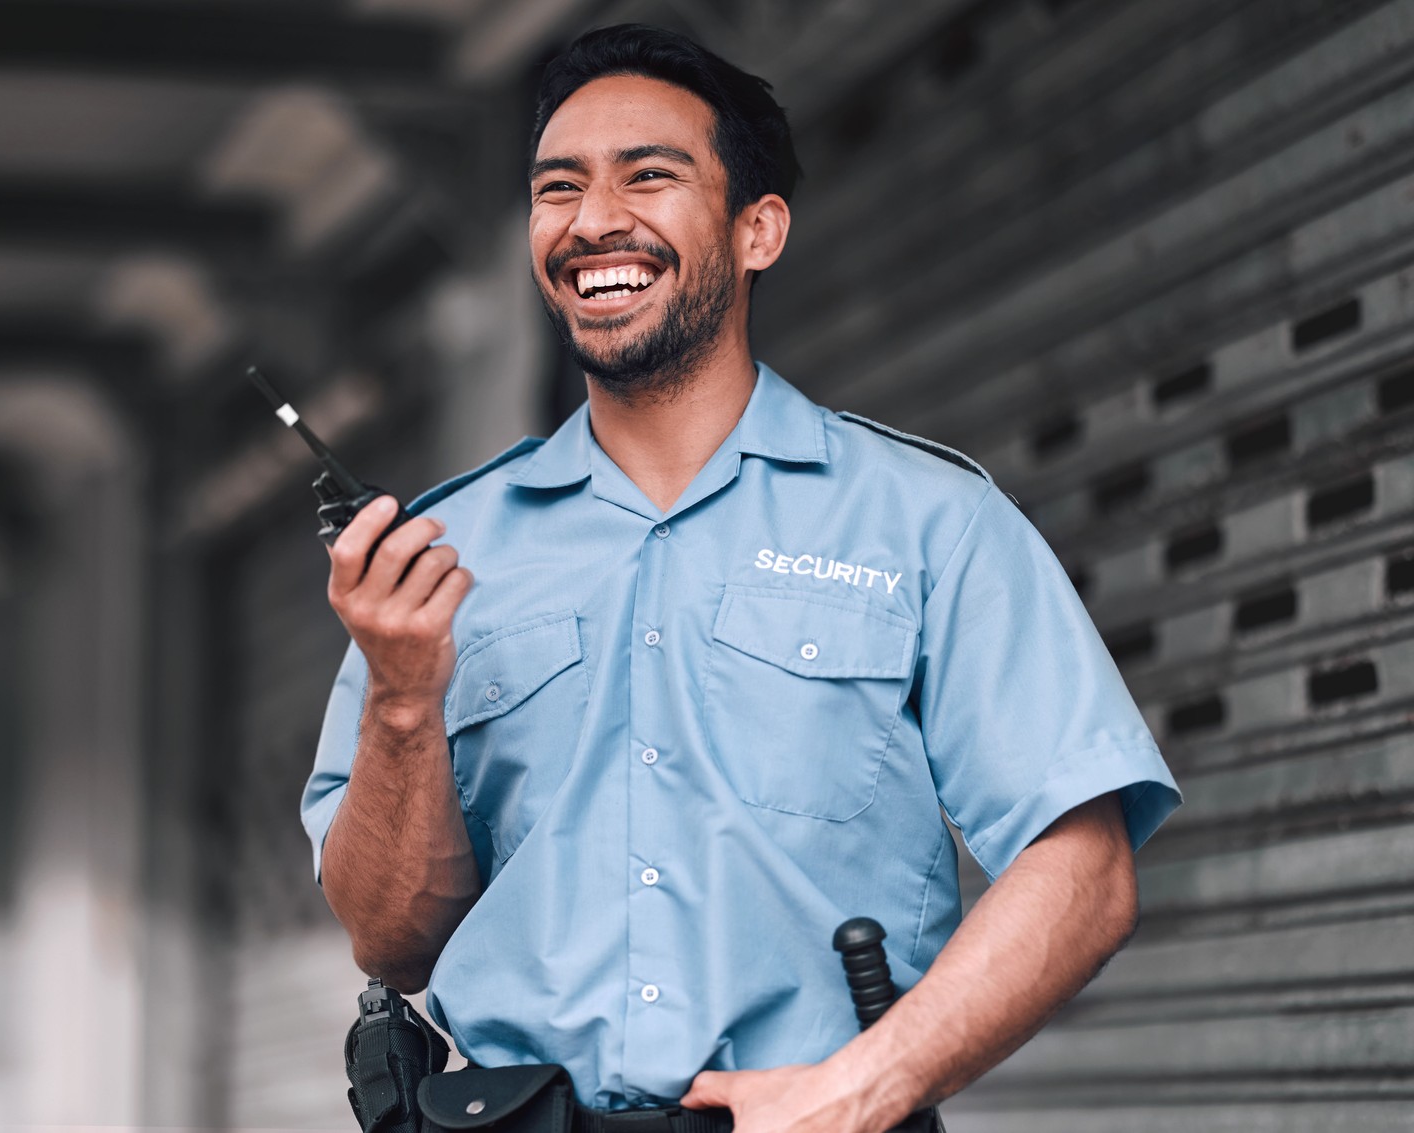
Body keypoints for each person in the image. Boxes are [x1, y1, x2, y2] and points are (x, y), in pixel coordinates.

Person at [300, 23, 1179, 1132]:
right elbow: (391, 938)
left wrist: (874, 1080)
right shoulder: (443, 553)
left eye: (649, 176)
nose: (591, 221)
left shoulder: (927, 522)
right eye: (556, 187)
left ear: (757, 229)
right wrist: (403, 695)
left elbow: (1086, 868)